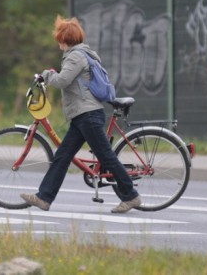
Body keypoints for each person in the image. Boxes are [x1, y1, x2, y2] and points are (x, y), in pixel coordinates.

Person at [20, 15, 141, 214]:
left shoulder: (76, 56)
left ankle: (131, 196)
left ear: (63, 39)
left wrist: (47, 74)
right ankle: (44, 198)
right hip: (82, 116)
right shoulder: (83, 54)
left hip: (88, 115)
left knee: (107, 157)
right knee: (62, 156)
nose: (57, 41)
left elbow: (61, 81)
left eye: (58, 37)